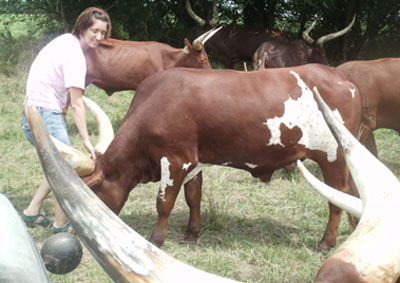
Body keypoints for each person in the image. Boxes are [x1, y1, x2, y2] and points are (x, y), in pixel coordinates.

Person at [21, 7, 111, 233]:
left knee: (56, 165)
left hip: (32, 110)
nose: (99, 37)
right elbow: (77, 102)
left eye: (103, 32)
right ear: (82, 28)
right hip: (44, 113)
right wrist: (86, 140)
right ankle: (61, 225)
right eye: (95, 31)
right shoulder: (75, 57)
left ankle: (32, 211)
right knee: (68, 169)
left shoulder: (64, 42)